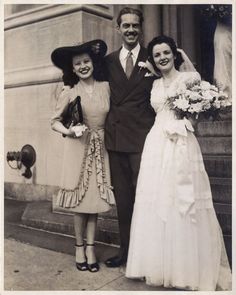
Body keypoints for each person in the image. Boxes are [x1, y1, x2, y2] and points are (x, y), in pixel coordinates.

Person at [126, 35, 232, 290]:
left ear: (175, 54)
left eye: (166, 53)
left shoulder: (190, 79)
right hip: (156, 143)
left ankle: (185, 268)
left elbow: (198, 111)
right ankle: (160, 264)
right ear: (152, 59)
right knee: (157, 198)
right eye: (157, 55)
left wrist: (187, 124)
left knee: (182, 199)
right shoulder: (154, 85)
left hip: (181, 141)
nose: (162, 58)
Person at [50, 39, 115, 273]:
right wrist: (69, 131)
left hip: (101, 147)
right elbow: (54, 122)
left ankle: (91, 248)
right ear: (73, 68)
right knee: (80, 203)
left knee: (94, 202)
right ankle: (79, 247)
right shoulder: (69, 91)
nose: (83, 66)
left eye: (86, 61)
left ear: (93, 63)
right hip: (78, 148)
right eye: (78, 63)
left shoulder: (106, 87)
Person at [104, 7, 156, 267]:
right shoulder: (109, 61)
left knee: (145, 197)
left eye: (136, 25)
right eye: (126, 26)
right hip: (116, 140)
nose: (131, 30)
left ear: (141, 28)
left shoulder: (154, 57)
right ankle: (126, 252)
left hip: (144, 140)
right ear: (118, 29)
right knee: (123, 200)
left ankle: (147, 256)